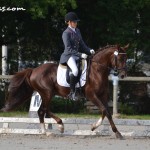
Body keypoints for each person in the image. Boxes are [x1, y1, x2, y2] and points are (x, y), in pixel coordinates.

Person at [59, 12, 95, 101]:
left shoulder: (77, 31)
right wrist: (80, 54)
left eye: (76, 22)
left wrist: (89, 50)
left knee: (86, 68)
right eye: (74, 22)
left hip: (76, 56)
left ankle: (80, 89)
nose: (76, 23)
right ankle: (72, 92)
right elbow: (69, 49)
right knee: (75, 70)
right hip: (68, 56)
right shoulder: (66, 33)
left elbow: (82, 44)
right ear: (69, 22)